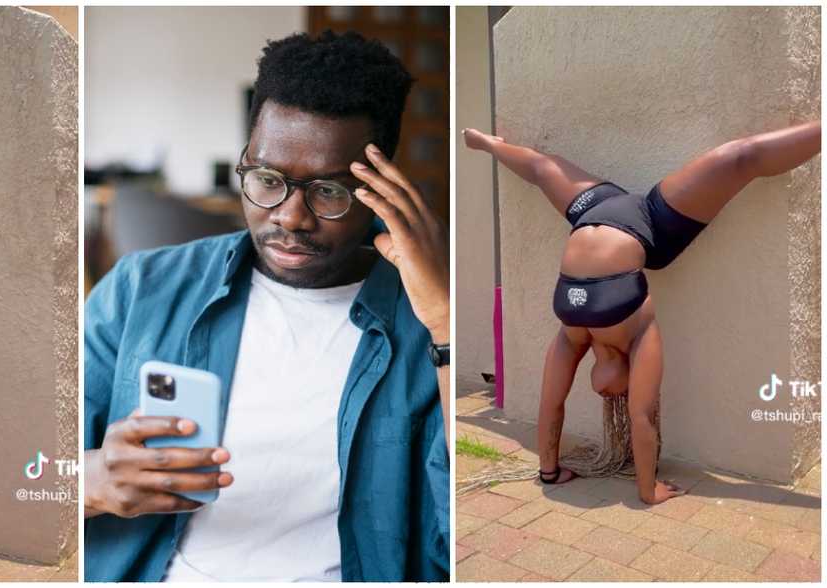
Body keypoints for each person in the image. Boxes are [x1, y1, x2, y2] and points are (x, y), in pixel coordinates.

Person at [84, 31, 451, 581]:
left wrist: (445, 321)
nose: (290, 217)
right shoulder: (140, 288)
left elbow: (457, 544)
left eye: (328, 191)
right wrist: (85, 479)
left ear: (381, 187)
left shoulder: (428, 323)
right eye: (267, 179)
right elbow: (23, 474)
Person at [462, 120, 821, 505]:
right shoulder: (609, 331)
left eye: (613, 394)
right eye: (616, 394)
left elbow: (577, 408)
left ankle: (487, 143)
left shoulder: (579, 335)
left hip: (598, 211)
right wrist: (636, 487)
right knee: (740, 157)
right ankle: (487, 144)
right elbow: (622, 415)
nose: (608, 395)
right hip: (643, 222)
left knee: (543, 168)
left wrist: (559, 473)